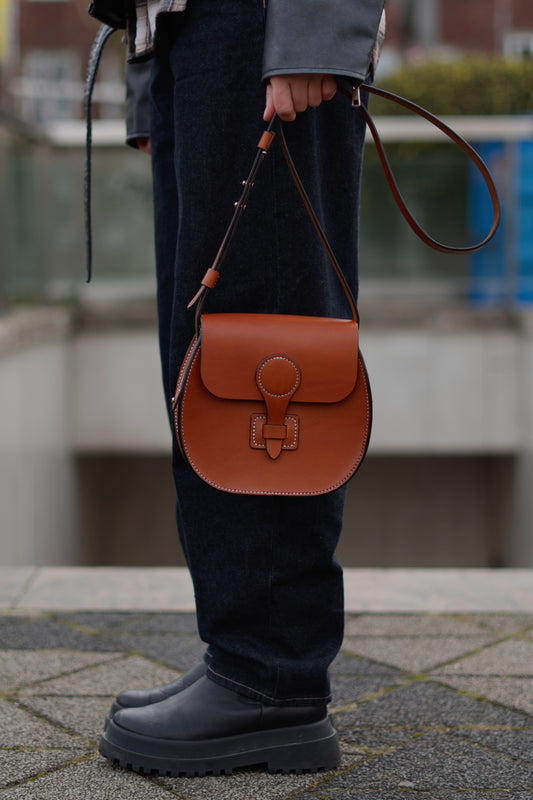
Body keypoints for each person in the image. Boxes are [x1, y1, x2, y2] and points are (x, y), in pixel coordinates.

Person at [94, 0, 386, 778]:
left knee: (267, 356)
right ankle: (243, 654)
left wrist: (315, 29)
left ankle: (273, 676)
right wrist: (155, 69)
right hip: (198, 37)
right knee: (205, 363)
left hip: (261, 26)